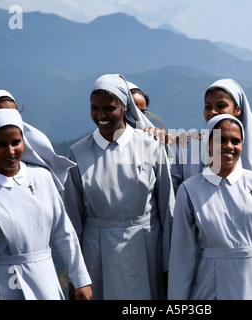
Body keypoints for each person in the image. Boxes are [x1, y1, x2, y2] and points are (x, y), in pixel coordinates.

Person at [0, 109, 92, 300]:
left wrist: (80, 279)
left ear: (24, 142)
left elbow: (64, 232)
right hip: (1, 286)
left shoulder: (43, 178)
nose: (10, 151)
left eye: (15, 142)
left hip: (44, 281)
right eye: (0, 144)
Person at [62, 74, 175, 300]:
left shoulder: (151, 146)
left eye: (109, 108)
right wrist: (76, 275)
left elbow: (167, 210)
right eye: (95, 108)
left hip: (146, 249)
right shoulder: (79, 152)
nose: (101, 115)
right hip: (97, 252)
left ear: (124, 107)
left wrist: (169, 266)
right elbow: (72, 222)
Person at [168, 114, 252, 300]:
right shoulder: (189, 190)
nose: (229, 146)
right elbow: (182, 254)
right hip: (214, 279)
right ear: (207, 144)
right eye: (221, 140)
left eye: (235, 141)